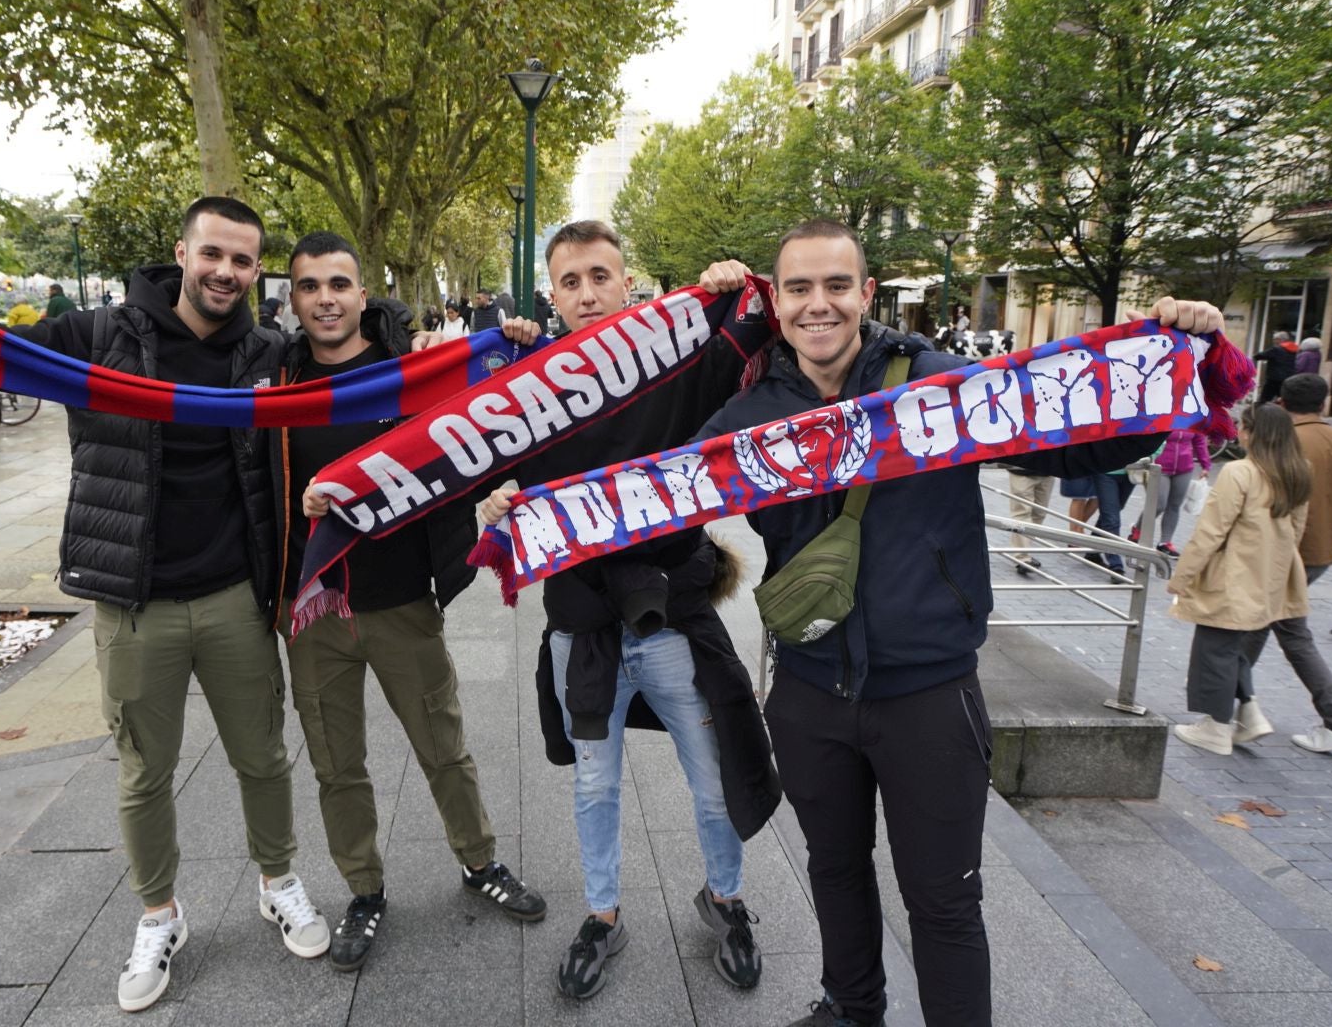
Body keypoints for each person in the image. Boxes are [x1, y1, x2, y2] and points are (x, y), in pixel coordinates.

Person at [693, 219, 1223, 1027]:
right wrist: (525, 510)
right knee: (834, 870)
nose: (818, 305)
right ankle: (852, 1009)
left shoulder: (937, 384)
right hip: (808, 691)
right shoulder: (753, 409)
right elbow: (649, 503)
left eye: (837, 285)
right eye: (798, 288)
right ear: (777, 300)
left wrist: (1168, 359)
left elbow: (1075, 450)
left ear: (866, 294)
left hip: (928, 697)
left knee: (943, 900)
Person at [0, 197, 325, 1013]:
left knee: (263, 755)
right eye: (213, 254)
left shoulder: (267, 352)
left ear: (258, 272)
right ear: (181, 252)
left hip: (232, 599)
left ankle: (278, 880)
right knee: (145, 770)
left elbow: (361, 363)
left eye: (243, 262)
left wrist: (459, 345)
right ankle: (158, 914)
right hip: (133, 603)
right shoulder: (100, 337)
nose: (225, 272)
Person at [478, 220, 780, 1002]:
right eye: (570, 281)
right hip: (583, 625)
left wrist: (732, 288)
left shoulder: (679, 366)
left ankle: (725, 898)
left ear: (628, 281)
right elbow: (484, 473)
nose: (587, 294)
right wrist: (496, 503)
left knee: (712, 783)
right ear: (553, 293)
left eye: (600, 276)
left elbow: (765, 342)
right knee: (594, 787)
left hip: (674, 613)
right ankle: (602, 916)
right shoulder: (528, 388)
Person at [282, 231, 546, 974]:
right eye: (310, 286)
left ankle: (479, 862)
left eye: (339, 284)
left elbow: (506, 402)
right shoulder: (274, 383)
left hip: (402, 602)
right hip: (314, 612)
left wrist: (519, 340)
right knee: (338, 765)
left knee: (443, 748)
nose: (326, 298)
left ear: (363, 295)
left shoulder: (411, 374)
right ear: (294, 299)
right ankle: (363, 891)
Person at [1169, 402, 1313, 756]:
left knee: (1214, 648)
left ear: (1256, 433)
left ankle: (1216, 728)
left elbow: (1211, 531)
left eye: (1243, 428)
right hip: (1269, 574)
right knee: (1231, 647)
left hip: (1232, 572)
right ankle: (1249, 712)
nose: (1239, 434)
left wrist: (1182, 577)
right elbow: (1297, 530)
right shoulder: (1298, 470)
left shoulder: (1240, 472)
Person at [1238, 374, 1332, 752]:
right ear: (1324, 403)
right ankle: (1234, 706)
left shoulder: (1282, 442)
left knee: (1281, 631)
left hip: (1281, 551)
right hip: (1322, 553)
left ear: (1281, 402)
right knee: (1261, 626)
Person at [1143, 428, 1210, 555]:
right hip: (1160, 466)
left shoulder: (1192, 417)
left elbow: (1199, 440)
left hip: (1184, 467)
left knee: (1174, 505)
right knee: (1159, 504)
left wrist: (1205, 465)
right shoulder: (1164, 413)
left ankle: (1165, 542)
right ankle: (1137, 530)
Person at [1005, 467, 1054, 576]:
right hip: (1020, 468)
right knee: (1022, 513)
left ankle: (1024, 549)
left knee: (1039, 513)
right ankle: (1022, 557)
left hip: (1047, 470)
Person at [1253, 331, 1296, 405]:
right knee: (1283, 399)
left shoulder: (1276, 349)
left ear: (1280, 340)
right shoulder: (1294, 350)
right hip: (1287, 379)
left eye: (1275, 339)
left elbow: (1259, 356)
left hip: (1274, 379)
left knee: (1264, 399)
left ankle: (1259, 413)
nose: (1274, 341)